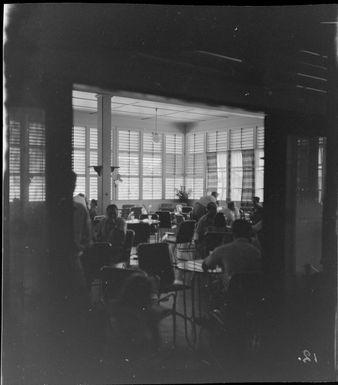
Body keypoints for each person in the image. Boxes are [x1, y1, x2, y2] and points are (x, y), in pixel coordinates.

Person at [107, 272, 161, 362]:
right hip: (139, 351)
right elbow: (156, 339)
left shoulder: (115, 307)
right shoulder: (149, 313)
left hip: (117, 350)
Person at [202, 219, 261, 290]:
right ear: (249, 233)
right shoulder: (256, 252)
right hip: (254, 292)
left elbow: (206, 264)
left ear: (232, 232)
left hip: (231, 292)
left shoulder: (222, 250)